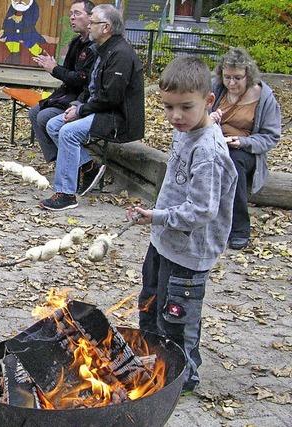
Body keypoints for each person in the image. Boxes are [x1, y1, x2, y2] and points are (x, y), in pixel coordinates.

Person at [127, 56, 238, 393]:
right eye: (168, 107)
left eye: (185, 107)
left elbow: (202, 210)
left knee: (177, 318)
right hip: (164, 241)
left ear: (207, 101)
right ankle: (154, 360)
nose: (175, 116)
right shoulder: (186, 130)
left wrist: (157, 216)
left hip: (189, 252)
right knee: (150, 302)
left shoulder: (209, 151)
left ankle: (181, 377)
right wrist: (156, 216)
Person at [40, 4, 145, 210]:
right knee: (53, 125)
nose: (88, 24)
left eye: (93, 21)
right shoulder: (102, 49)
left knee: (68, 132)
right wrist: (77, 104)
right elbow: (92, 86)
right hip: (100, 110)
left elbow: (111, 98)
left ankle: (66, 194)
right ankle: (88, 166)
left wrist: (80, 111)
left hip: (118, 118)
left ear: (105, 27)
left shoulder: (120, 54)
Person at [209, 48, 281, 250]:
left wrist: (243, 142)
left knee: (232, 163)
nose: (232, 83)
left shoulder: (264, 97)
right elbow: (196, 115)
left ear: (248, 76)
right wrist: (208, 120)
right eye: (227, 77)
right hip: (213, 143)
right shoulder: (215, 88)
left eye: (237, 78)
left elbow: (271, 136)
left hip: (246, 150)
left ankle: (240, 228)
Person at [29, 0, 95, 163]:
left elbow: (82, 79)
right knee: (34, 112)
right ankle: (59, 159)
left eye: (77, 13)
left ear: (91, 18)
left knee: (44, 116)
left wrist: (55, 69)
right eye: (70, 14)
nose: (72, 18)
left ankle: (84, 164)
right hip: (68, 94)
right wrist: (52, 67)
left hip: (83, 99)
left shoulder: (95, 46)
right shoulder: (75, 42)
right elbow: (66, 74)